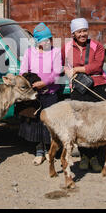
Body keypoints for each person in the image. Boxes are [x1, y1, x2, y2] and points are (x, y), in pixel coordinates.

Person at [62, 18, 106, 172]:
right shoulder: (66, 47)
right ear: (73, 33)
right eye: (79, 31)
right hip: (79, 87)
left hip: (97, 86)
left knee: (96, 123)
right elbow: (61, 64)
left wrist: (77, 69)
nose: (82, 34)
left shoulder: (97, 46)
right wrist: (67, 70)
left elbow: (97, 66)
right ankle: (84, 156)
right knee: (81, 124)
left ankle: (95, 156)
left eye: (85, 31)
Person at [18, 22, 63, 165]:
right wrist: (31, 83)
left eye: (49, 39)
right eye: (44, 39)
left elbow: (57, 72)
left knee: (49, 123)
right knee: (36, 122)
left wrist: (45, 83)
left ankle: (50, 150)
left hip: (50, 92)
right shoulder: (30, 53)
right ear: (38, 41)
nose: (48, 41)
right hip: (34, 94)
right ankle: (39, 150)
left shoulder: (55, 52)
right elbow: (23, 72)